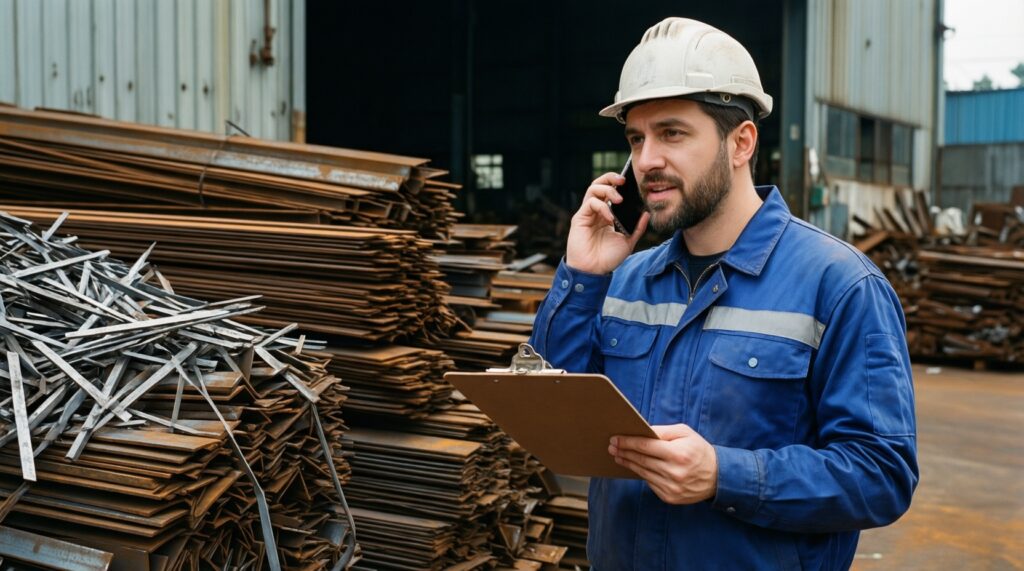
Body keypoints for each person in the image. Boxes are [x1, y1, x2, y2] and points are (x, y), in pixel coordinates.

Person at [528, 17, 918, 570]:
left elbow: (882, 474)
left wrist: (724, 474)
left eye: (672, 133)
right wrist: (581, 275)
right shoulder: (627, 280)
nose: (646, 161)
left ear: (741, 142)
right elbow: (548, 408)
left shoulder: (839, 286)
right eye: (636, 139)